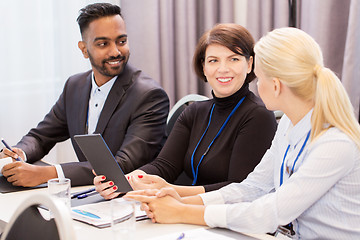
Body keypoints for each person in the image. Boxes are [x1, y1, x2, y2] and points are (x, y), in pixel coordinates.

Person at [125, 27, 360, 239]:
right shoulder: (290, 122)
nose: (256, 84)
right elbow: (252, 188)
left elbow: (271, 212)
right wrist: (183, 200)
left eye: (259, 76)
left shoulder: (335, 143)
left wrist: (184, 211)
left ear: (276, 85)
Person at [94, 23, 277, 199]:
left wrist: (172, 191)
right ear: (204, 67)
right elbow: (164, 165)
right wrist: (127, 181)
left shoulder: (258, 116)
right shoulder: (194, 111)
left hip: (225, 219)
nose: (223, 69)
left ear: (250, 63)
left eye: (234, 59)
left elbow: (240, 189)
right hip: (185, 211)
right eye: (213, 60)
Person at [0, 3, 169, 187]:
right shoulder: (75, 86)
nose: (116, 51)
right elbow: (41, 137)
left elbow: (121, 165)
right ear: (83, 49)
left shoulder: (149, 96)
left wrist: (48, 174)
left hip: (134, 198)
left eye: (121, 41)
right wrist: (18, 154)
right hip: (90, 193)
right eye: (103, 44)